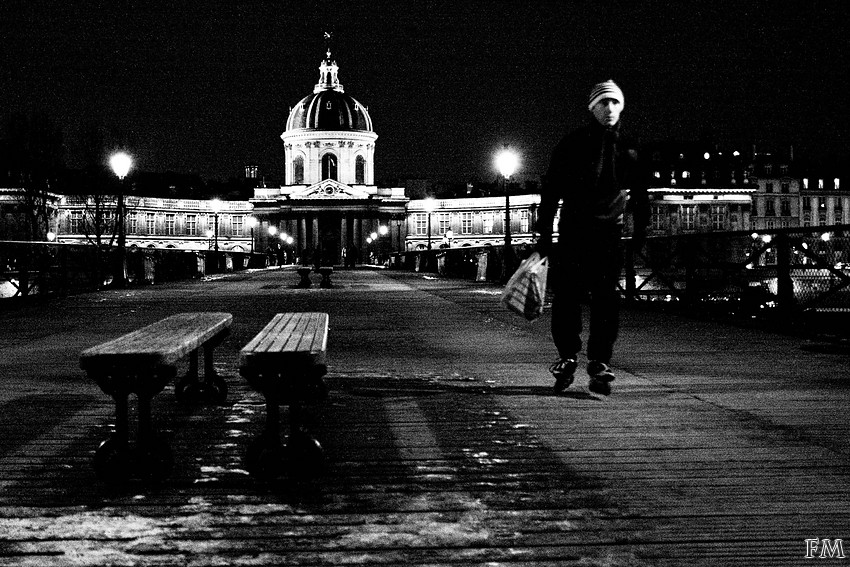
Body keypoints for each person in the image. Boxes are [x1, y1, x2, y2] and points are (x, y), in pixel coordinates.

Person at [534, 80, 649, 396]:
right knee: (569, 297)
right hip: (574, 231)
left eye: (615, 103)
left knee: (605, 302)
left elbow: (640, 194)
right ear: (592, 108)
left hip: (607, 234)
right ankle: (568, 354)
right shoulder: (573, 144)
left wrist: (639, 231)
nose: (610, 109)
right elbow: (551, 192)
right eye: (603, 104)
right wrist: (544, 233)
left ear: (620, 107)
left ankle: (598, 360)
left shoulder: (627, 146)